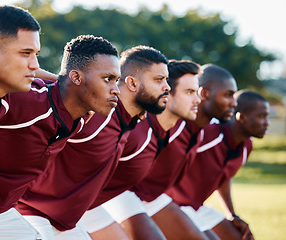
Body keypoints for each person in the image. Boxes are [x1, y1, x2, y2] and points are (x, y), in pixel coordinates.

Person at [0, 27, 121, 240]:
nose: (116, 89)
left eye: (116, 80)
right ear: (76, 77)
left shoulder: (82, 116)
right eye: (108, 78)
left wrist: (60, 81)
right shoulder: (26, 99)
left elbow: (58, 85)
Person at [14, 45, 170, 239]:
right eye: (159, 80)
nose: (167, 87)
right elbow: (19, 76)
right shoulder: (94, 113)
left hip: (68, 221)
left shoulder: (129, 122)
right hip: (30, 210)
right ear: (132, 83)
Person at [95, 64, 238, 239]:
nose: (198, 99)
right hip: (121, 194)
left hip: (153, 196)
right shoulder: (142, 127)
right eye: (190, 92)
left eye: (196, 92)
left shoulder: (196, 130)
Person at [81, 60, 203, 239]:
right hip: (87, 202)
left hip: (130, 197)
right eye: (190, 92)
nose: (197, 100)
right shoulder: (136, 129)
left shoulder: (168, 130)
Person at [167, 90, 269, 240]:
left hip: (196, 207)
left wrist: (231, 214)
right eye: (262, 116)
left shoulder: (247, 145)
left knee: (242, 237)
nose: (267, 123)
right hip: (172, 204)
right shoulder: (209, 132)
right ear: (241, 117)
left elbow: (223, 177)